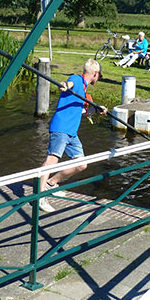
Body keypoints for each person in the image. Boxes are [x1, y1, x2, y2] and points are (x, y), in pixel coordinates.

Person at [39, 58, 107, 212]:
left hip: (71, 132)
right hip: (61, 128)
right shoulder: (77, 79)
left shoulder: (83, 90)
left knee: (81, 164)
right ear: (95, 74)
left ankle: (51, 183)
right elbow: (68, 83)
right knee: (51, 161)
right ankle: (40, 197)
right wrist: (65, 85)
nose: (98, 79)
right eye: (99, 76)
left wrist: (97, 110)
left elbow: (82, 112)